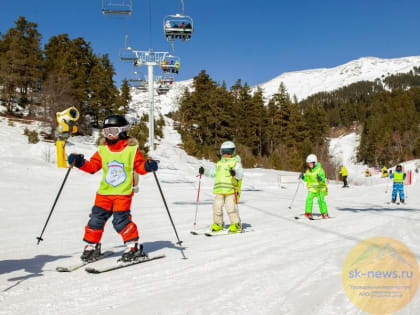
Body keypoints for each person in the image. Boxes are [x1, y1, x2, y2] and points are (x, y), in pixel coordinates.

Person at [67, 114, 158, 263]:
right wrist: (79, 162)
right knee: (95, 219)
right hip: (104, 193)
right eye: (106, 132)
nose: (109, 135)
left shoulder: (131, 149)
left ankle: (133, 246)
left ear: (122, 131)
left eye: (113, 131)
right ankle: (92, 246)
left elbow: (139, 167)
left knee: (120, 220)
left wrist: (148, 166)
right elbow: (92, 167)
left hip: (122, 193)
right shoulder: (103, 150)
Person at [198, 141, 243, 233]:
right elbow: (213, 173)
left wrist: (235, 173)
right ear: (221, 152)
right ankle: (218, 224)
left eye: (229, 152)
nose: (226, 154)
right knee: (216, 207)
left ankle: (236, 224)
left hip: (230, 190)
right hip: (219, 190)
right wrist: (204, 171)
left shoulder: (235, 163)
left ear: (233, 152)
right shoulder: (219, 163)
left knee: (230, 208)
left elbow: (240, 175)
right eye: (224, 151)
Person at [299, 154, 329, 219]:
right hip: (312, 188)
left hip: (320, 187)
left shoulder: (320, 170)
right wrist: (303, 177)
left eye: (311, 163)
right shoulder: (308, 171)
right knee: (308, 199)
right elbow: (307, 179)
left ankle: (324, 213)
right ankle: (308, 213)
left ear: (314, 162)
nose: (309, 165)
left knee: (320, 200)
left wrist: (320, 179)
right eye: (308, 164)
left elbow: (323, 178)